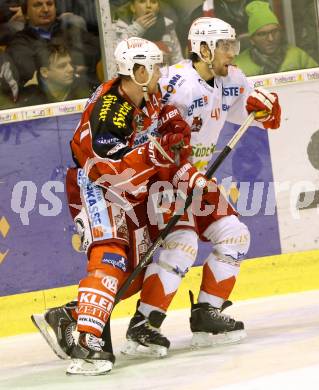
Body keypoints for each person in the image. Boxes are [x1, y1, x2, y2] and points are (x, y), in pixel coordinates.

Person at [31, 17, 281, 365]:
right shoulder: (160, 91)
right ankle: (126, 325)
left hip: (176, 176)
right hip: (128, 187)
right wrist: (161, 158)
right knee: (147, 252)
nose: (160, 76)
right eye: (224, 44)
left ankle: (205, 315)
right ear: (204, 48)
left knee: (233, 234)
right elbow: (110, 161)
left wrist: (265, 109)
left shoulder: (160, 95)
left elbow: (175, 133)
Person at [31, 36, 196, 375]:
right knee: (111, 255)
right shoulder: (109, 111)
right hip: (96, 188)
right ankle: (86, 341)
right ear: (136, 71)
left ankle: (71, 315)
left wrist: (175, 134)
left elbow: (163, 122)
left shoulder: (143, 95)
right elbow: (108, 168)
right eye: (153, 68)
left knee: (135, 271)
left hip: (128, 191)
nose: (159, 74)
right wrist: (154, 152)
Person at [5, 0, 100, 90]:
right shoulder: (19, 41)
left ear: (55, 9)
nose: (46, 9)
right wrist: (76, 62)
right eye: (37, 5)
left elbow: (99, 49)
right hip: (45, 100)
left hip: (85, 91)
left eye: (49, 4)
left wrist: (59, 63)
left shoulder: (70, 29)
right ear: (26, 14)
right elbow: (30, 70)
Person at [233, 0, 319, 76]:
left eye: (274, 31)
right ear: (252, 40)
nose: (271, 39)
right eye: (262, 34)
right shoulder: (237, 67)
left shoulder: (298, 56)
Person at [16, 43, 90, 106]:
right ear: (44, 72)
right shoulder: (30, 99)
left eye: (70, 63)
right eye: (62, 66)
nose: (71, 69)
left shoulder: (86, 87)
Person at [114, 0, 183, 65]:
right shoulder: (121, 27)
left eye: (153, 2)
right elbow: (115, 56)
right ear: (133, 7)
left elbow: (177, 59)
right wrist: (137, 28)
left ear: (158, 7)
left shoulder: (168, 26)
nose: (148, 5)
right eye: (142, 1)